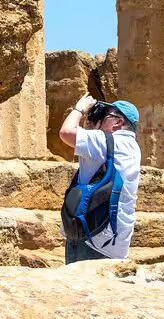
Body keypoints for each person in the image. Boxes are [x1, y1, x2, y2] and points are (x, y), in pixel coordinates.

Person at [58, 92, 141, 264]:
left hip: (91, 237)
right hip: (114, 241)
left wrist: (79, 109)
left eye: (105, 115)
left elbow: (66, 132)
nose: (100, 118)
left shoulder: (106, 141)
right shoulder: (132, 146)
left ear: (118, 123)